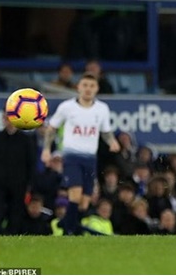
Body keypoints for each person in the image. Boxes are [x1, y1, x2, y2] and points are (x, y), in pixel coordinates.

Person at [41, 72, 120, 235]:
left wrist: (112, 141)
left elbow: (105, 130)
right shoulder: (67, 107)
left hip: (90, 158)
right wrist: (46, 149)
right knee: (75, 195)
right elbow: (52, 128)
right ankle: (70, 231)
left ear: (97, 88)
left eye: (91, 86)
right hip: (71, 157)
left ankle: (67, 224)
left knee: (84, 203)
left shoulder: (102, 109)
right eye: (85, 85)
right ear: (78, 87)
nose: (88, 89)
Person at [0, 114, 37, 235]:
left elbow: (31, 163)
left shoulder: (26, 140)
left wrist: (30, 184)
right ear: (3, 120)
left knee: (16, 211)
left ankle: (13, 235)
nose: (10, 123)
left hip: (19, 183)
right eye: (7, 119)